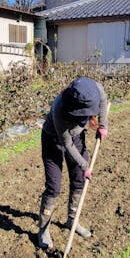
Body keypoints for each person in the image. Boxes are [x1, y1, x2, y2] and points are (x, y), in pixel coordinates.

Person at [38, 77, 108, 249]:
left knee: (78, 181)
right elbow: (66, 143)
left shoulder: (95, 90)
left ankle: (72, 220)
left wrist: (103, 125)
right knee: (54, 187)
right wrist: (85, 165)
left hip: (76, 138)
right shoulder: (59, 107)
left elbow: (104, 101)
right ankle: (43, 229)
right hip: (54, 140)